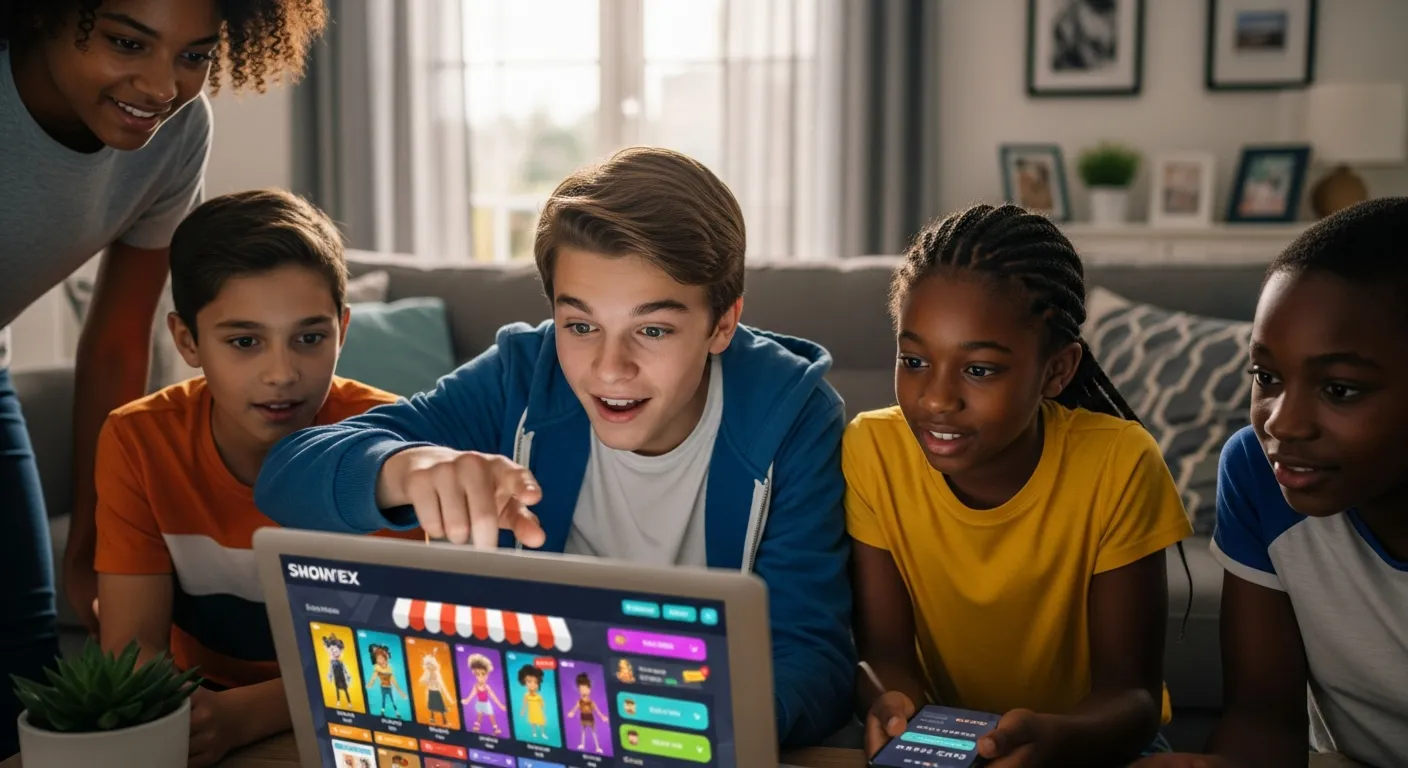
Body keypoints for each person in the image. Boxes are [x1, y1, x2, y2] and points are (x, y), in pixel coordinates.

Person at [254, 146, 856, 747]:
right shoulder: (522, 376)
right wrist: (405, 469)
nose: (610, 368)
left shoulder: (794, 415)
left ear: (722, 323)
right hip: (525, 730)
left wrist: (687, 729)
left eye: (652, 329)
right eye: (582, 326)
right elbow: (285, 477)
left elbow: (813, 657)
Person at [0, 0, 325, 755]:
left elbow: (118, 342)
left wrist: (91, 541)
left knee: (23, 666)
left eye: (193, 55)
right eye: (126, 43)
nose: (160, 86)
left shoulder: (174, 134)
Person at [848, 204, 1194, 765]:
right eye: (913, 361)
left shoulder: (1120, 462)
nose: (937, 399)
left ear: (1056, 371)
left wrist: (1053, 739)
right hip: (943, 745)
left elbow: (1132, 697)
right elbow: (886, 654)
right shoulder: (872, 450)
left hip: (1090, 746)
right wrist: (893, 707)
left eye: (979, 370)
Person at [93, 189, 422, 768]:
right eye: (245, 342)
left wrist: (245, 716)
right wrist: (184, 716)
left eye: (310, 338)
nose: (282, 373)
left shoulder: (393, 445)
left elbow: (395, 655)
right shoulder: (137, 440)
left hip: (362, 715)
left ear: (343, 329)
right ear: (187, 340)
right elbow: (131, 645)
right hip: (202, 713)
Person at [1136, 199, 1408, 768]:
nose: (1282, 424)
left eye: (1340, 390)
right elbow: (1262, 718)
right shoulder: (1259, 471)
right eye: (1267, 376)